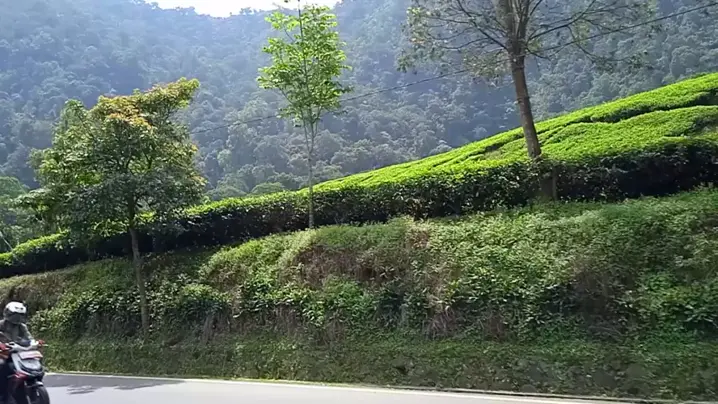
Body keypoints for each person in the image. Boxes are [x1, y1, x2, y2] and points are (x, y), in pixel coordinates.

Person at [0, 301, 33, 404]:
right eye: (14, 315)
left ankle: (31, 384)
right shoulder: (1, 325)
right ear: (7, 313)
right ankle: (2, 395)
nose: (17, 318)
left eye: (20, 315)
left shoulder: (22, 326)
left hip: (18, 352)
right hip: (3, 353)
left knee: (33, 361)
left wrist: (34, 343)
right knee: (1, 365)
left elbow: (29, 338)